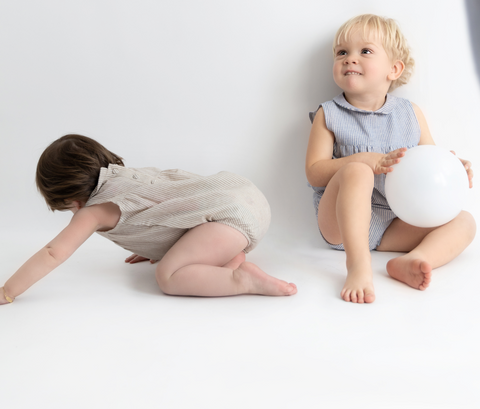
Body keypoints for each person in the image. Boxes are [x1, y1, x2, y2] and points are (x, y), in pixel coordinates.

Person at [0, 134, 297, 304]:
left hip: (232, 221)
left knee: (168, 276)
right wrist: (156, 244)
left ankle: (240, 279)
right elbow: (170, 205)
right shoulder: (127, 177)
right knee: (178, 256)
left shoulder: (92, 211)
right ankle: (232, 259)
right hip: (247, 196)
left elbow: (53, 253)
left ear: (70, 199)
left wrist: (7, 291)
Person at [305, 14, 476, 304]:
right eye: (342, 52)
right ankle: (358, 265)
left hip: (392, 222)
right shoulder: (329, 114)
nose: (350, 59)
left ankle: (416, 259)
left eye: (365, 51)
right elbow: (314, 172)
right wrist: (361, 160)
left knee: (465, 222)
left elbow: (429, 161)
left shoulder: (410, 113)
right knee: (358, 171)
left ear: (394, 69)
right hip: (339, 225)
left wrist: (453, 169)